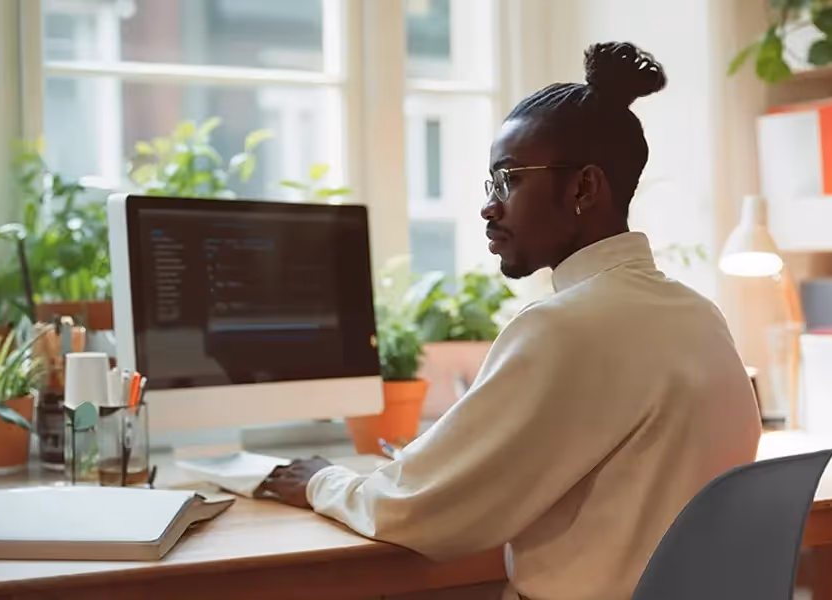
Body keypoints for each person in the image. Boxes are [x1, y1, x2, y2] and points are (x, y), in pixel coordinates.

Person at [258, 41, 762, 600]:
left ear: (583, 188)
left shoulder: (562, 328)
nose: (489, 207)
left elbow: (423, 510)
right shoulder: (699, 314)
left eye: (509, 180)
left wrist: (320, 482)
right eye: (491, 184)